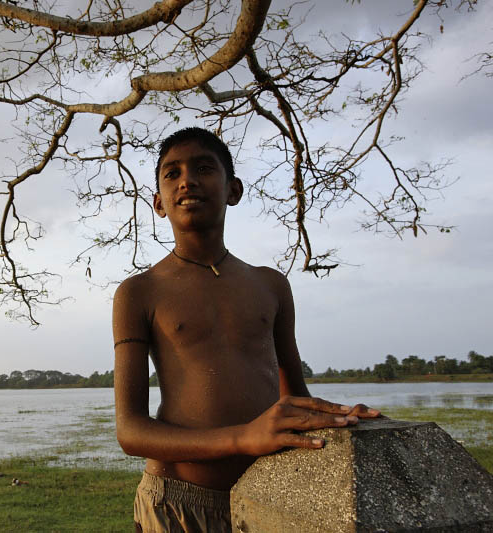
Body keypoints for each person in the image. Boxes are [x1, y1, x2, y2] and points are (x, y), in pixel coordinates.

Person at [112, 127, 380, 532]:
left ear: (233, 189)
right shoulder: (139, 292)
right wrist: (243, 437)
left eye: (204, 168)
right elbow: (131, 432)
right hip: (178, 504)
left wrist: (342, 419)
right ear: (158, 203)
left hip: (267, 497)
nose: (187, 180)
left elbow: (293, 400)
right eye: (172, 173)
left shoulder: (271, 285)